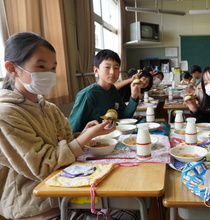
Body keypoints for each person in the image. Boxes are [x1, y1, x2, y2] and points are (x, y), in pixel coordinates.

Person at [0, 32, 116, 219]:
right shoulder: (6, 114)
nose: (49, 73)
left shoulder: (49, 108)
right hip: (36, 206)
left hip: (67, 193)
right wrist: (85, 138)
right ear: (12, 68)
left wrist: (84, 135)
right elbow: (43, 167)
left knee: (131, 204)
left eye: (53, 67)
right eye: (41, 66)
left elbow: (66, 146)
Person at [69, 49, 140, 133]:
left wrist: (134, 96)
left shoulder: (112, 90)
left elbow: (123, 116)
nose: (112, 72)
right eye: (107, 67)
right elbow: (72, 129)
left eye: (116, 68)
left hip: (109, 136)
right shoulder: (88, 94)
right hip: (89, 141)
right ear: (96, 70)